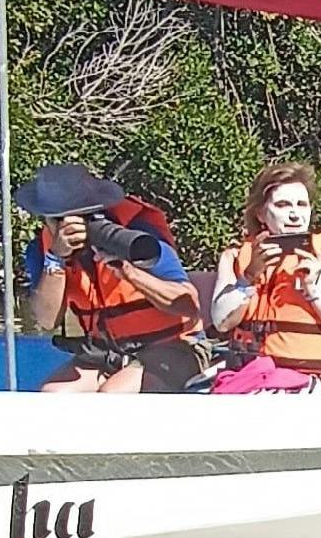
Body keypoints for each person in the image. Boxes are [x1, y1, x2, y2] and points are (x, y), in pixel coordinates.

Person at [15, 163, 203, 393]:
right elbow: (46, 320)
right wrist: (56, 259)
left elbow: (188, 305)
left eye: (81, 217)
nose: (71, 227)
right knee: (53, 396)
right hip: (106, 353)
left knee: (112, 396)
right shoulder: (42, 250)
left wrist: (129, 272)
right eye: (58, 219)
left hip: (174, 346)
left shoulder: (137, 233)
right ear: (46, 219)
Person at [209, 163, 321, 393]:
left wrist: (314, 292)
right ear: (261, 213)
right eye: (283, 205)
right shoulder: (235, 258)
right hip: (249, 377)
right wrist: (249, 277)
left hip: (313, 382)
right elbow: (222, 321)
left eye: (302, 205)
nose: (294, 214)